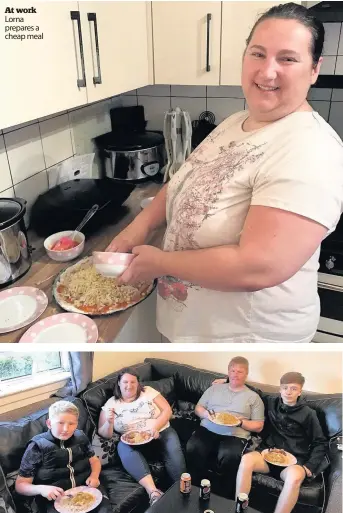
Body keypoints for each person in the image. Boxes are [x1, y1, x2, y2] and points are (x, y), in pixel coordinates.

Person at [107, 2, 343, 343]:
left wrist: (162, 262)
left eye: (287, 58)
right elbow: (183, 179)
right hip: (196, 327)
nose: (266, 71)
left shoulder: (310, 149)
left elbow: (257, 266)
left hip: (248, 339)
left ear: (314, 69)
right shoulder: (236, 122)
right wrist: (138, 227)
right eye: (258, 54)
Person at [235, 372, 329, 513]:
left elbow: (320, 442)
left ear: (300, 391)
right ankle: (239, 508)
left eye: (293, 388)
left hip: (294, 462)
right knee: (246, 459)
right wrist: (228, 380)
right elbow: (256, 392)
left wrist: (310, 466)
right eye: (285, 388)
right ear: (280, 389)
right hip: (268, 455)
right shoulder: (271, 402)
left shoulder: (309, 414)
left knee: (295, 477)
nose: (288, 392)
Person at [98, 368, 186, 506]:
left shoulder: (148, 391)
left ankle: (183, 491)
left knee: (173, 449)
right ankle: (154, 493)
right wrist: (109, 422)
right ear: (119, 384)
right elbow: (104, 434)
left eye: (133, 382)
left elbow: (167, 410)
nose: (129, 385)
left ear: (138, 383)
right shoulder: (111, 404)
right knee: (122, 447)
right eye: (125, 382)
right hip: (132, 440)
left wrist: (155, 428)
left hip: (161, 431)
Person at [15, 401, 112, 513]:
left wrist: (94, 476)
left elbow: (94, 461)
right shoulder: (37, 446)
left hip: (86, 491)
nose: (66, 429)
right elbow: (20, 485)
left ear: (76, 424)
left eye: (71, 424)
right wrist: (42, 489)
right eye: (60, 423)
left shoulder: (81, 437)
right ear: (49, 423)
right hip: (55, 500)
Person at [186, 357, 264, 494]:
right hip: (208, 428)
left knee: (229, 455)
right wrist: (206, 415)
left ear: (246, 374)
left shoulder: (254, 397)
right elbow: (198, 408)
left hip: (235, 434)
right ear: (228, 372)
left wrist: (241, 422)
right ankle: (195, 489)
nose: (235, 374)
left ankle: (223, 496)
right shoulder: (214, 389)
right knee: (193, 447)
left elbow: (259, 426)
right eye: (233, 370)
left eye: (240, 371)